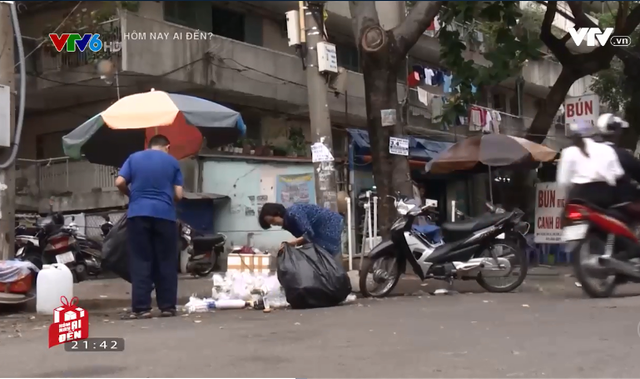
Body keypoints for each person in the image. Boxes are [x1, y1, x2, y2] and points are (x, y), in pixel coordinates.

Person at [115, 134, 184, 319]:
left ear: (149, 145)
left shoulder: (134, 157)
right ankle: (167, 307)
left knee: (141, 260)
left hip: (138, 214)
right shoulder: (172, 162)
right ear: (167, 147)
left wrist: (132, 195)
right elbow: (179, 193)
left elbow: (119, 182)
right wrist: (168, 199)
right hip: (165, 215)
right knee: (166, 261)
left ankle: (141, 308)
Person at [557, 121, 624, 209]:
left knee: (565, 217)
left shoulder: (568, 152)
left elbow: (563, 181)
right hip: (605, 194)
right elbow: (619, 173)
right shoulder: (606, 149)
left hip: (579, 195)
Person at [258, 202, 343, 256]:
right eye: (271, 224)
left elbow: (308, 234)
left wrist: (291, 243)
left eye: (272, 220)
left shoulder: (294, 213)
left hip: (332, 226)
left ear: (278, 213)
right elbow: (305, 238)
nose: (274, 224)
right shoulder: (288, 222)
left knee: (331, 259)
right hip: (322, 233)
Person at [596, 113, 640, 216]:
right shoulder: (623, 155)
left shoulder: (589, 154)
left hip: (591, 203)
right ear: (618, 132)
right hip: (618, 206)